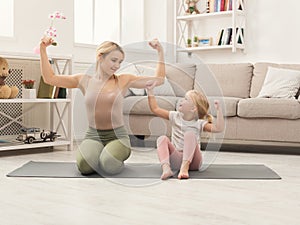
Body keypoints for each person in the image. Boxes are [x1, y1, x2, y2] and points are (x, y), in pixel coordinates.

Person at [39, 36, 165, 175]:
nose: (117, 66)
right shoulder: (83, 80)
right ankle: (101, 155)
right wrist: (43, 49)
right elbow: (49, 79)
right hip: (93, 135)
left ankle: (111, 157)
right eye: (114, 60)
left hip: (118, 136)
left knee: (109, 165)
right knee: (84, 167)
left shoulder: (123, 80)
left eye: (120, 62)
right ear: (100, 57)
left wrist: (160, 52)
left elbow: (159, 80)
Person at [146, 81, 224, 180]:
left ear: (193, 109)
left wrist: (219, 110)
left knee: (190, 134)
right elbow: (155, 109)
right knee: (161, 139)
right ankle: (166, 168)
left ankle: (185, 167)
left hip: (194, 162)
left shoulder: (199, 123)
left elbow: (218, 128)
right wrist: (150, 91)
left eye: (186, 99)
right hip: (177, 159)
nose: (181, 100)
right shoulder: (174, 116)